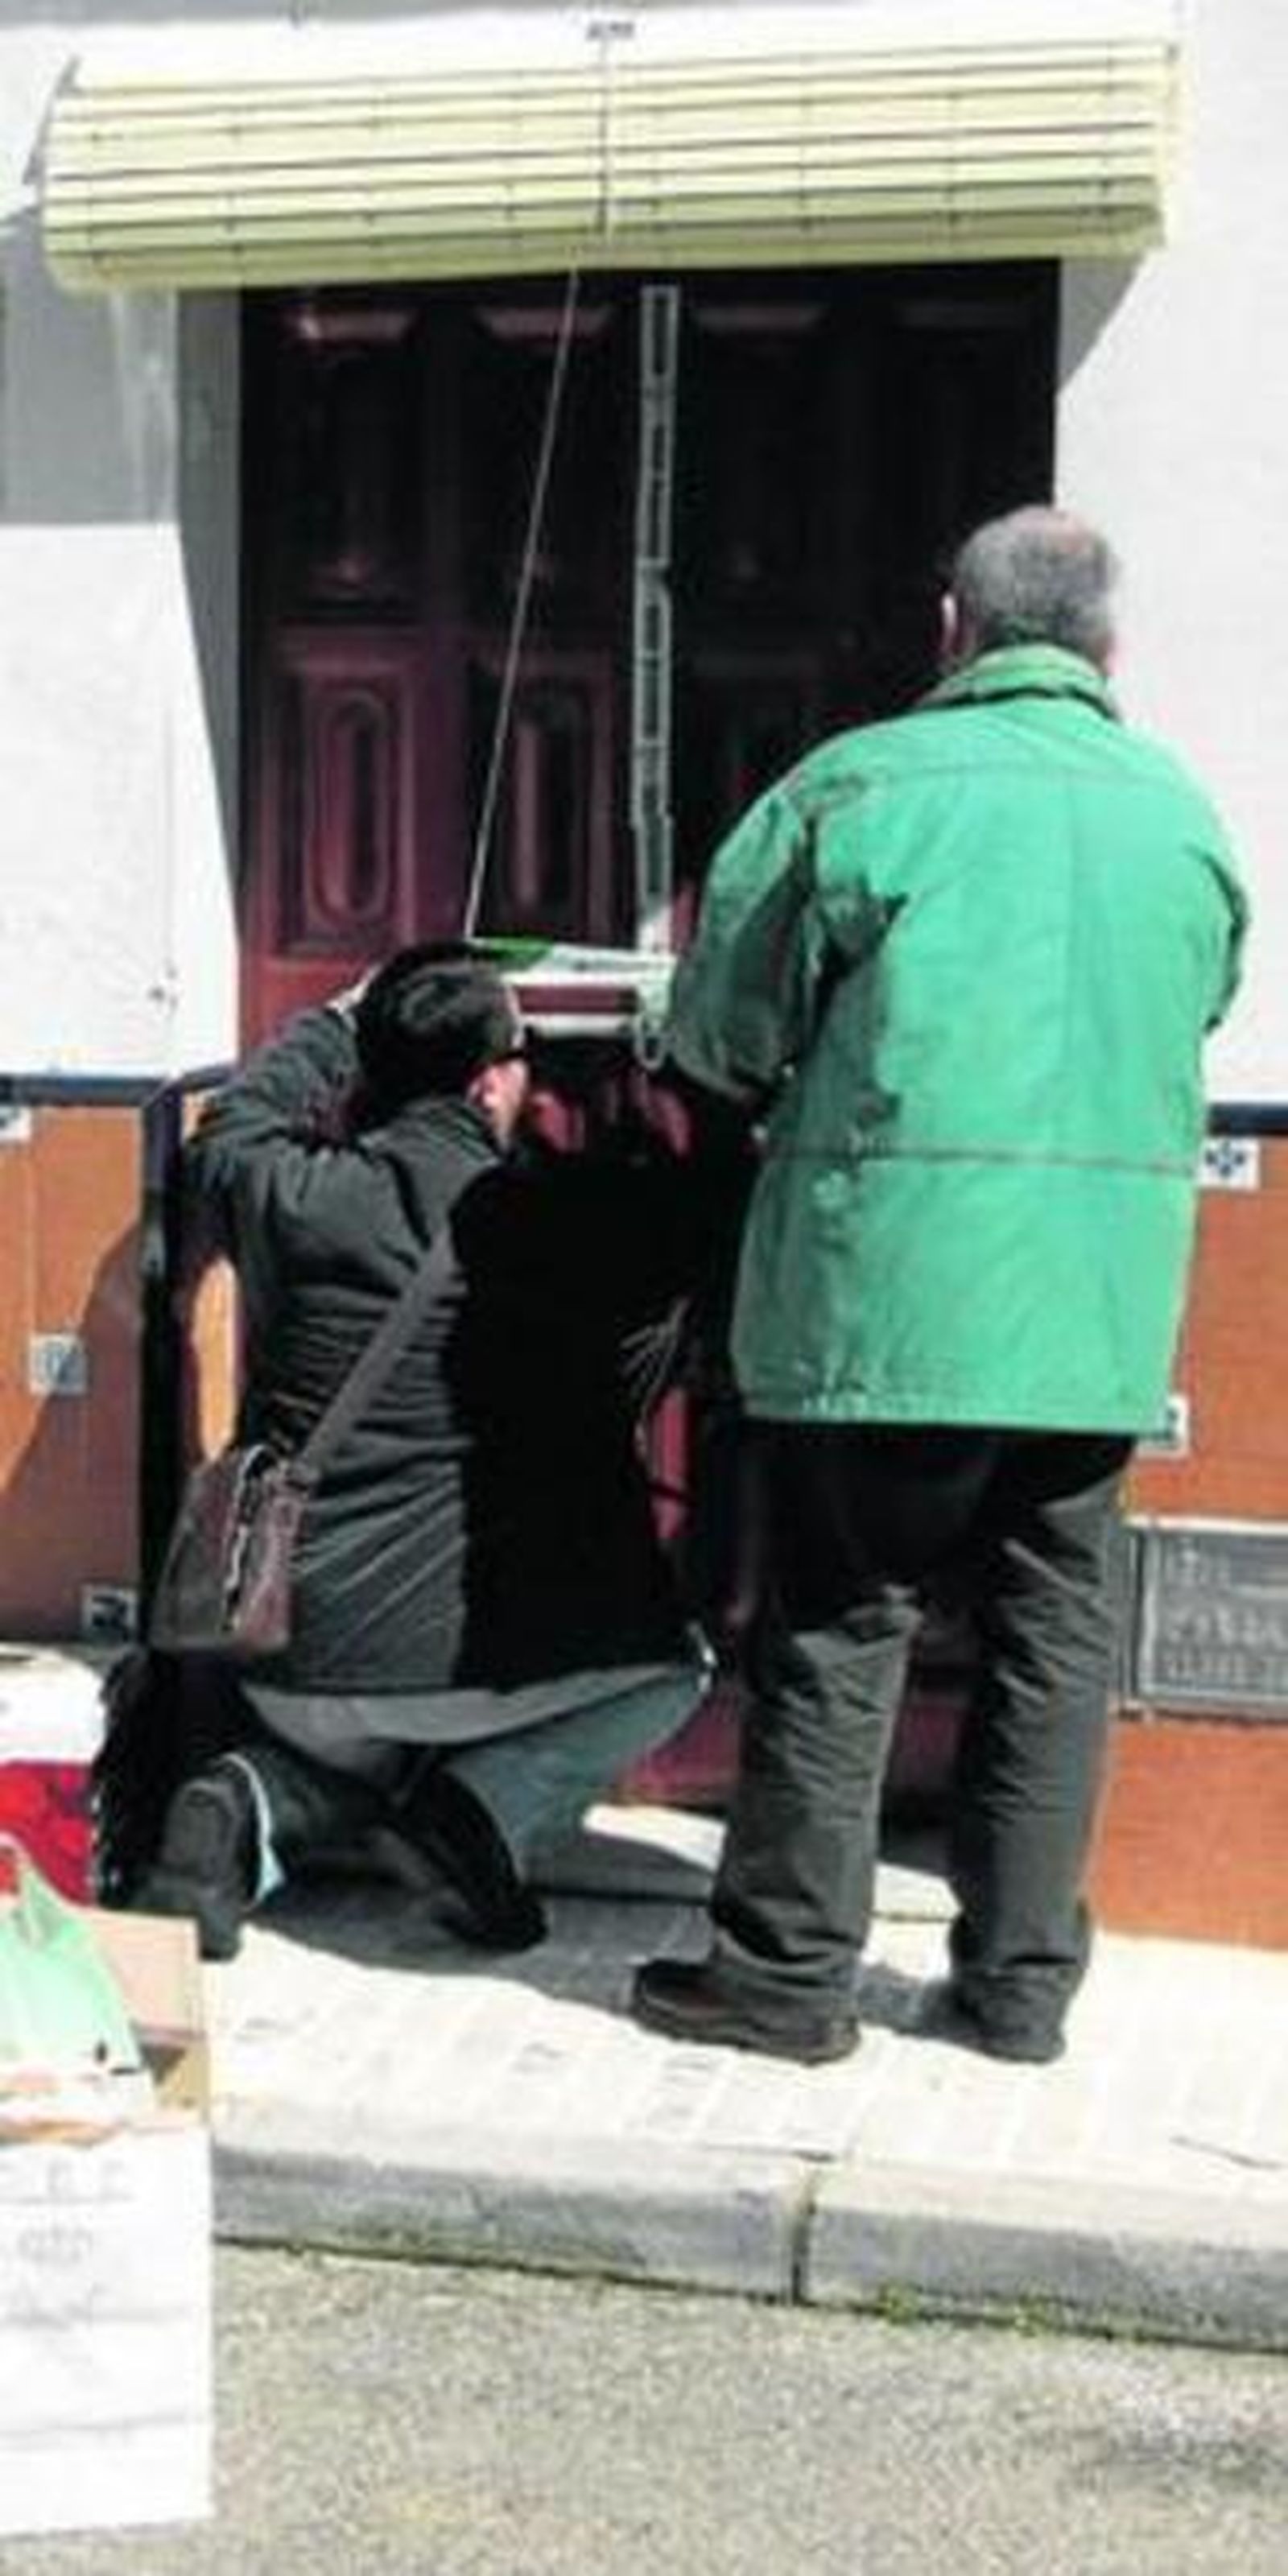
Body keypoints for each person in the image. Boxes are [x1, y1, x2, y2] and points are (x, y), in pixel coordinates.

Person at [630, 506, 1247, 2067]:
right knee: (1052, 1641)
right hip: (1097, 1316)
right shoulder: (1178, 817)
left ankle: (785, 1979)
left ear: (951, 629)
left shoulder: (861, 790)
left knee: (843, 1627)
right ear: (1106, 647)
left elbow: (719, 1036)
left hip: (883, 1308)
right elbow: (1203, 1001)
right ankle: (1018, 1986)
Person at [135, 943, 727, 1960]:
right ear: (491, 1081)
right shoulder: (569, 1220)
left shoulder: (298, 1191)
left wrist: (340, 1018)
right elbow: (709, 1209)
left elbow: (227, 1130)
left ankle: (241, 1801)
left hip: (285, 1661)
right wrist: (666, 1060)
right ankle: (477, 1816)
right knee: (675, 1670)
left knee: (362, 1755)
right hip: (484, 1666)